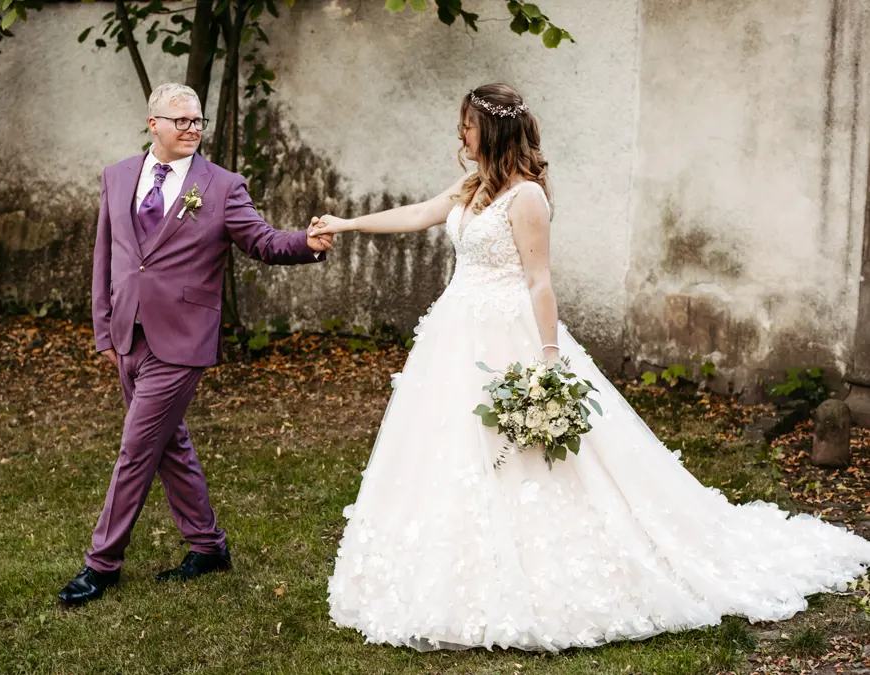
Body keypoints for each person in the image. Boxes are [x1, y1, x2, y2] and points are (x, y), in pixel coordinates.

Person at [313, 83, 870, 652]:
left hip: (510, 334)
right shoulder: (473, 185)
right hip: (455, 333)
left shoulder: (526, 198)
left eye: (470, 125)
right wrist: (347, 224)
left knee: (524, 456)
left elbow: (539, 280)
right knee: (446, 449)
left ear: (496, 130)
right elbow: (421, 214)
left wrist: (549, 361)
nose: (462, 134)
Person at [58, 82, 332, 606]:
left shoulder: (222, 186)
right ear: (152, 124)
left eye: (197, 121)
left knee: (137, 451)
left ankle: (102, 564)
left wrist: (306, 244)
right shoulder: (117, 177)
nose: (191, 130)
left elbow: (263, 241)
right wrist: (103, 329)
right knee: (169, 446)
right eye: (179, 121)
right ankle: (208, 548)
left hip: (182, 340)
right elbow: (106, 257)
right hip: (127, 335)